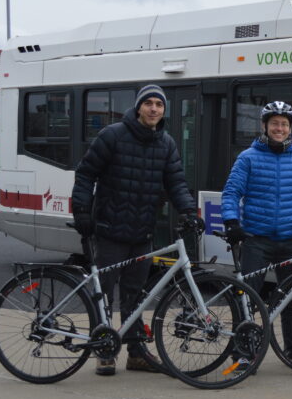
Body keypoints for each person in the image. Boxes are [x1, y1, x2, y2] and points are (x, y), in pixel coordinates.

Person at [71, 84, 203, 376]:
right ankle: (104, 352)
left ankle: (136, 353)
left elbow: (176, 183)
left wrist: (188, 212)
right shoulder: (113, 135)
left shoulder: (166, 143)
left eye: (159, 105)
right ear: (139, 107)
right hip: (108, 229)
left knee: (136, 295)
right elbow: (86, 173)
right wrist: (81, 210)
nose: (154, 109)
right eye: (149, 103)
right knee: (103, 293)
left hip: (142, 232)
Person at [220, 101, 292, 366]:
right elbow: (232, 192)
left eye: (284, 124)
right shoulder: (248, 157)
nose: (279, 128)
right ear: (264, 126)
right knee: (247, 295)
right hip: (256, 239)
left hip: (289, 239)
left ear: (290, 128)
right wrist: (231, 221)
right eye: (275, 123)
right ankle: (243, 350)